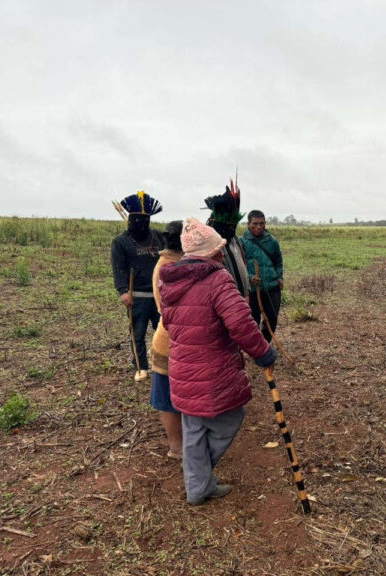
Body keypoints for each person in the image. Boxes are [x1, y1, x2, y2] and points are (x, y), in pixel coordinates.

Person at [159, 217, 277, 506]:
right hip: (210, 369)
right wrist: (263, 353)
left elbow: (170, 322)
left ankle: (198, 485)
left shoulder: (169, 280)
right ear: (210, 254)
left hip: (183, 368)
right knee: (229, 418)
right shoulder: (217, 279)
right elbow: (241, 324)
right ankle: (198, 480)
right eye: (219, 250)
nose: (223, 254)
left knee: (194, 427)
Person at [110, 191, 166, 382]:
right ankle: (141, 366)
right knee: (138, 333)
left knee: (164, 331)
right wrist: (123, 291)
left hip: (160, 295)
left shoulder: (158, 237)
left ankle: (165, 363)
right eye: (137, 219)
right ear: (130, 219)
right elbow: (118, 268)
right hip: (138, 295)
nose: (141, 223)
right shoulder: (121, 242)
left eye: (145, 219)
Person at [149, 220, 184, 459]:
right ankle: (177, 447)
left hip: (167, 337)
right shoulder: (173, 268)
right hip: (172, 341)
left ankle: (179, 445)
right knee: (168, 398)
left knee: (170, 396)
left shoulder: (166, 263)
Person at [239, 210, 284, 342]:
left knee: (272, 318)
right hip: (252, 290)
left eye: (262, 223)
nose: (259, 227)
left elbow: (278, 261)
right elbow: (239, 265)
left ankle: (265, 344)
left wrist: (279, 277)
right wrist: (250, 277)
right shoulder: (241, 243)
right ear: (248, 225)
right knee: (253, 319)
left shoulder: (273, 241)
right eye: (255, 223)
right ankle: (257, 346)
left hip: (272, 287)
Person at [203, 179, 250, 298]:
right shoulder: (209, 245)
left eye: (233, 226)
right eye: (227, 226)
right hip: (224, 302)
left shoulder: (235, 240)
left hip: (241, 298)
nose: (231, 229)